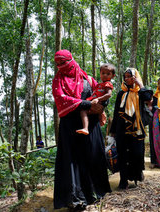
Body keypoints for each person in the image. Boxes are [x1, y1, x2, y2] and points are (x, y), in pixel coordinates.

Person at [52, 50, 111, 210]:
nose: (60, 66)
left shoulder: (87, 78)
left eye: (63, 62)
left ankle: (97, 193)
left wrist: (101, 109)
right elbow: (61, 99)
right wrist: (86, 104)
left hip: (90, 126)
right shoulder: (59, 81)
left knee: (92, 157)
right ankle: (76, 199)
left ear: (71, 60)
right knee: (73, 162)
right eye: (58, 64)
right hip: (71, 127)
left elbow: (98, 94)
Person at [110, 68, 153, 189]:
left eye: (130, 76)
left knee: (137, 154)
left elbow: (149, 97)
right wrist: (113, 131)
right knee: (123, 155)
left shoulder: (140, 92)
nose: (127, 79)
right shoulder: (121, 93)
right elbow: (116, 112)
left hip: (137, 129)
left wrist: (140, 84)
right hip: (122, 129)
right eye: (125, 77)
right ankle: (123, 181)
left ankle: (136, 176)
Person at [76, 64, 115, 135]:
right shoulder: (99, 85)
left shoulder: (108, 84)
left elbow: (109, 94)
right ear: (100, 74)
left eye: (108, 74)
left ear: (113, 76)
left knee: (83, 111)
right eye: (103, 73)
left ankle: (85, 128)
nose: (105, 75)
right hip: (92, 102)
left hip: (97, 103)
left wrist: (98, 99)